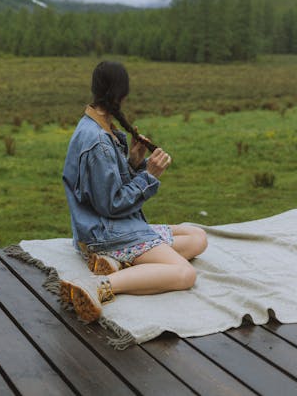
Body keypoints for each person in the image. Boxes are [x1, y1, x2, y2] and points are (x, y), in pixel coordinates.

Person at [61, 60, 207, 322]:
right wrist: (149, 176)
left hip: (112, 226)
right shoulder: (97, 142)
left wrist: (134, 162)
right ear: (121, 95)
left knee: (198, 238)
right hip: (105, 231)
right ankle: (100, 285)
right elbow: (112, 204)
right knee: (186, 274)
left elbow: (106, 188)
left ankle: (117, 262)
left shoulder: (100, 129)